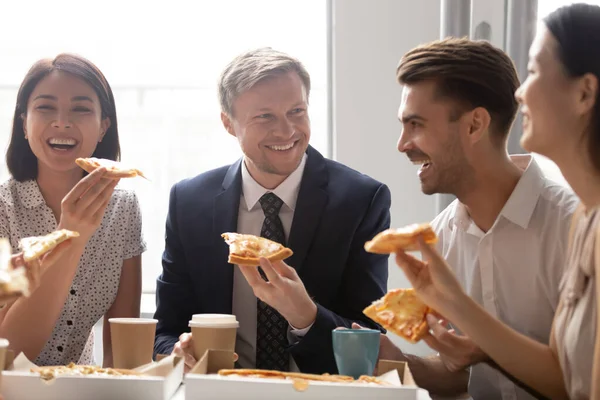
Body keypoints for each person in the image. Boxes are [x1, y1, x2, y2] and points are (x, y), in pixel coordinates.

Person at [394, 3, 600, 400]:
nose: (521, 93)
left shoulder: (571, 219)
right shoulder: (587, 222)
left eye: (536, 70)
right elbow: (564, 375)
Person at [153, 47, 391, 374]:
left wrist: (305, 315)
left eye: (296, 111)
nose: (286, 131)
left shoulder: (362, 200)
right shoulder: (189, 202)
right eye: (265, 116)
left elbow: (371, 338)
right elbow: (165, 329)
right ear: (228, 123)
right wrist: (177, 352)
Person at [0, 54, 146, 367]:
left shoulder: (124, 208)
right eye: (45, 107)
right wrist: (71, 237)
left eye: (81, 109)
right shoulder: (3, 209)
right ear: (23, 123)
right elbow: (8, 352)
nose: (63, 122)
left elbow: (122, 349)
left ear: (103, 127)